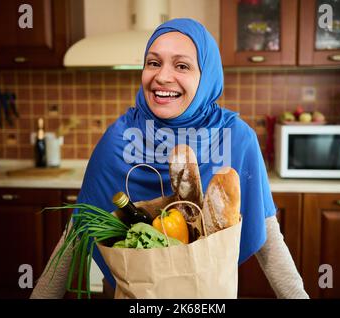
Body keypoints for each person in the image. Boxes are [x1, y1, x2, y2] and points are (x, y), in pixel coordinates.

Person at [31, 18, 309, 299]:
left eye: (182, 65)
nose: (162, 77)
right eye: (153, 63)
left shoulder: (235, 138)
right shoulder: (119, 138)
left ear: (206, 75)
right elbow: (78, 231)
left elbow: (268, 239)